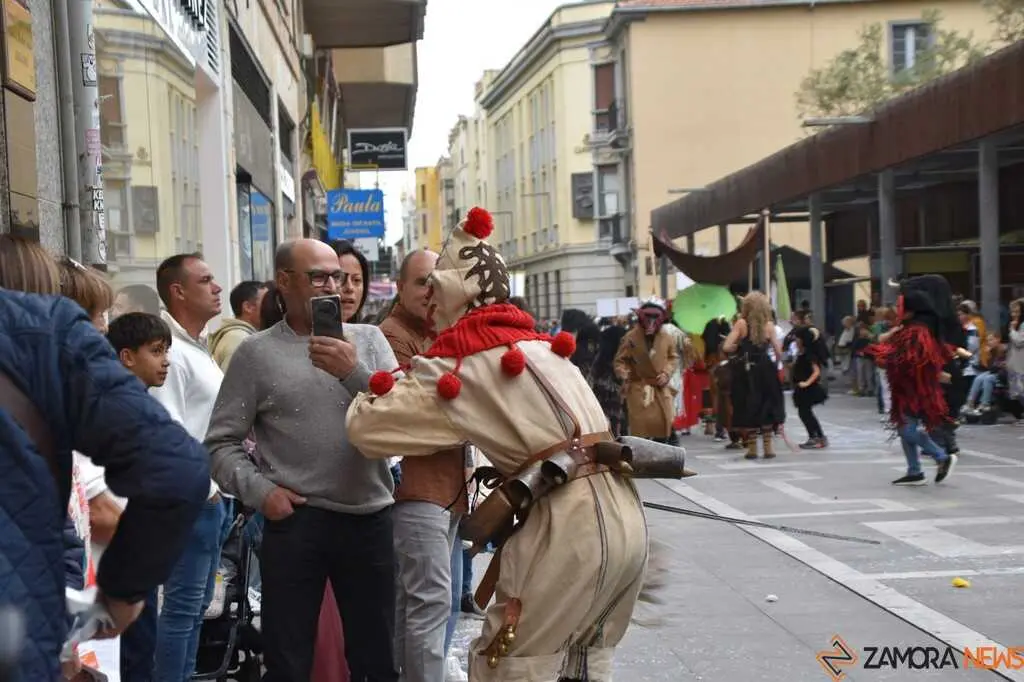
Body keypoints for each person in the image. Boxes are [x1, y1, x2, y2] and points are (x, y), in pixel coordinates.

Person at [346, 207, 648, 682]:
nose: (427, 302)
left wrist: (362, 378)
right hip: (627, 523)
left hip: (563, 533)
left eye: (432, 289)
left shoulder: (461, 365)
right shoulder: (547, 351)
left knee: (511, 667)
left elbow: (368, 428)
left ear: (447, 294)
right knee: (582, 663)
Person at [0, 235, 210, 682]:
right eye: (94, 316)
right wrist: (119, 595)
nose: (102, 328)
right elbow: (174, 471)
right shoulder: (39, 332)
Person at [206, 238, 400, 682]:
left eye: (338, 276)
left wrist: (353, 372)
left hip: (368, 516)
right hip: (296, 521)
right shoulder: (256, 353)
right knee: (288, 657)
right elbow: (220, 444)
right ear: (284, 281)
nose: (332, 286)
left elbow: (400, 420)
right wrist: (262, 492)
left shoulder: (369, 342)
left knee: (376, 658)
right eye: (318, 277)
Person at [378, 248, 471, 682]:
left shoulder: (442, 333)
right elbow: (415, 414)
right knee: (428, 607)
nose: (430, 291)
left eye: (437, 282)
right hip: (416, 490)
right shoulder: (392, 336)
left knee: (432, 605)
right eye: (421, 282)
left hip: (445, 488)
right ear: (399, 287)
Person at [149, 253, 230, 682]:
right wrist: (207, 491)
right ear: (178, 291)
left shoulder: (194, 347)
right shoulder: (171, 351)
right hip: (193, 500)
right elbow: (168, 428)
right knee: (183, 609)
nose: (217, 287)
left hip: (208, 497)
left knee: (197, 609)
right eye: (206, 280)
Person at [866, 275, 959, 486]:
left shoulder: (917, 331)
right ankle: (914, 470)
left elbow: (912, 360)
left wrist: (882, 357)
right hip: (906, 386)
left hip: (914, 388)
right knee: (903, 426)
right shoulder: (909, 328)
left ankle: (941, 457)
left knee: (906, 428)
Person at [722, 291, 786, 460]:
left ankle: (751, 448)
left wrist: (738, 348)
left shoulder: (741, 324)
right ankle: (768, 446)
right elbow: (779, 352)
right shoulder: (769, 325)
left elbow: (727, 346)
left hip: (746, 368)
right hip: (766, 368)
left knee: (746, 403)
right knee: (767, 403)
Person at [614, 298, 681, 444]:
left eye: (655, 317)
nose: (651, 321)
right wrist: (624, 373)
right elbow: (620, 360)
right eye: (648, 316)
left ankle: (665, 452)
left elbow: (673, 357)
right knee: (641, 429)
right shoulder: (630, 337)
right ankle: (642, 457)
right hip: (639, 388)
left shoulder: (666, 337)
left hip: (660, 387)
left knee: (665, 423)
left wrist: (666, 373)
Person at [208, 280, 268, 371]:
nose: (271, 306)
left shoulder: (238, 337)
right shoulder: (239, 341)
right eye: (266, 302)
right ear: (248, 307)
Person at [792, 326, 829, 449]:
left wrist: (807, 383)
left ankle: (816, 437)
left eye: (798, 339)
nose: (796, 341)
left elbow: (816, 371)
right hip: (802, 388)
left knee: (806, 413)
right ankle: (817, 436)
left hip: (808, 389)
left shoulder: (809, 354)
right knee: (805, 413)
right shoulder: (802, 353)